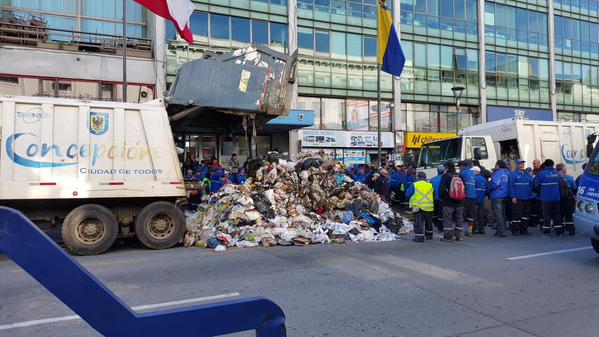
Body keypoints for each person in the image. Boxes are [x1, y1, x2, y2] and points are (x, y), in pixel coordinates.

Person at [533, 159, 563, 235]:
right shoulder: (557, 174)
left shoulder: (541, 174)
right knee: (557, 214)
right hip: (556, 198)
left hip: (545, 198)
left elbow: (535, 185)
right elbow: (561, 185)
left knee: (546, 215)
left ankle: (546, 231)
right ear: (553, 165)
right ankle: (558, 230)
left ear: (545, 165)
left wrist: (541, 191)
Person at [439, 162, 464, 242]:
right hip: (459, 202)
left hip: (448, 202)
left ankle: (448, 237)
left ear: (446, 168)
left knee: (447, 219)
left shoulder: (445, 176)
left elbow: (441, 189)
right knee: (459, 218)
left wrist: (441, 197)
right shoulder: (459, 175)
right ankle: (459, 236)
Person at [406, 172, 434, 242]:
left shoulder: (415, 184)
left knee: (418, 222)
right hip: (429, 206)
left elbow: (407, 194)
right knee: (429, 222)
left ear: (418, 177)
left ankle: (419, 237)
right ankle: (429, 235)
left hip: (418, 206)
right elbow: (434, 194)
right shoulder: (430, 185)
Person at [509, 159, 533, 236]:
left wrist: (531, 196)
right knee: (516, 215)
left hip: (527, 198)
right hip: (518, 198)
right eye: (520, 164)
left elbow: (531, 186)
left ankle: (524, 230)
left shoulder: (527, 174)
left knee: (525, 216)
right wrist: (513, 197)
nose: (522, 165)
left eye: (523, 164)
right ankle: (515, 230)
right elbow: (510, 186)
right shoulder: (513, 174)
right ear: (516, 165)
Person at [489, 160, 510, 237]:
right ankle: (500, 230)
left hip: (497, 195)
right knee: (503, 214)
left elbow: (494, 184)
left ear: (498, 165)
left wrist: (489, 189)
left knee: (498, 214)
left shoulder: (498, 173)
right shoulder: (507, 172)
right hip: (505, 195)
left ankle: (502, 232)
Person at [557, 163, 577, 235]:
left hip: (558, 199)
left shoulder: (554, 178)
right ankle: (571, 230)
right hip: (568, 199)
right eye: (565, 168)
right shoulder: (569, 178)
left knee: (560, 215)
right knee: (569, 215)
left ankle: (560, 230)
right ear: (563, 169)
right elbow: (574, 188)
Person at [459, 160, 477, 236]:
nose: (459, 168)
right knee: (471, 213)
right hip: (473, 196)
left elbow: (459, 184)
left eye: (460, 166)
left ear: (463, 166)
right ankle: (470, 231)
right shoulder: (473, 173)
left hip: (465, 196)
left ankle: (458, 231)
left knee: (461, 213)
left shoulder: (462, 173)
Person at [473, 166, 488, 235]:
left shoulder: (474, 178)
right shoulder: (484, 179)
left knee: (474, 215)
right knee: (481, 215)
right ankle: (482, 229)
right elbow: (487, 191)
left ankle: (475, 229)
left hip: (475, 199)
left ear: (476, 171)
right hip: (482, 199)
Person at [431, 165, 445, 233]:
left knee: (435, 213)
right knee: (441, 214)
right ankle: (440, 228)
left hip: (434, 198)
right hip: (442, 198)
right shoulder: (444, 179)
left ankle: (435, 224)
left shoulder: (433, 179)